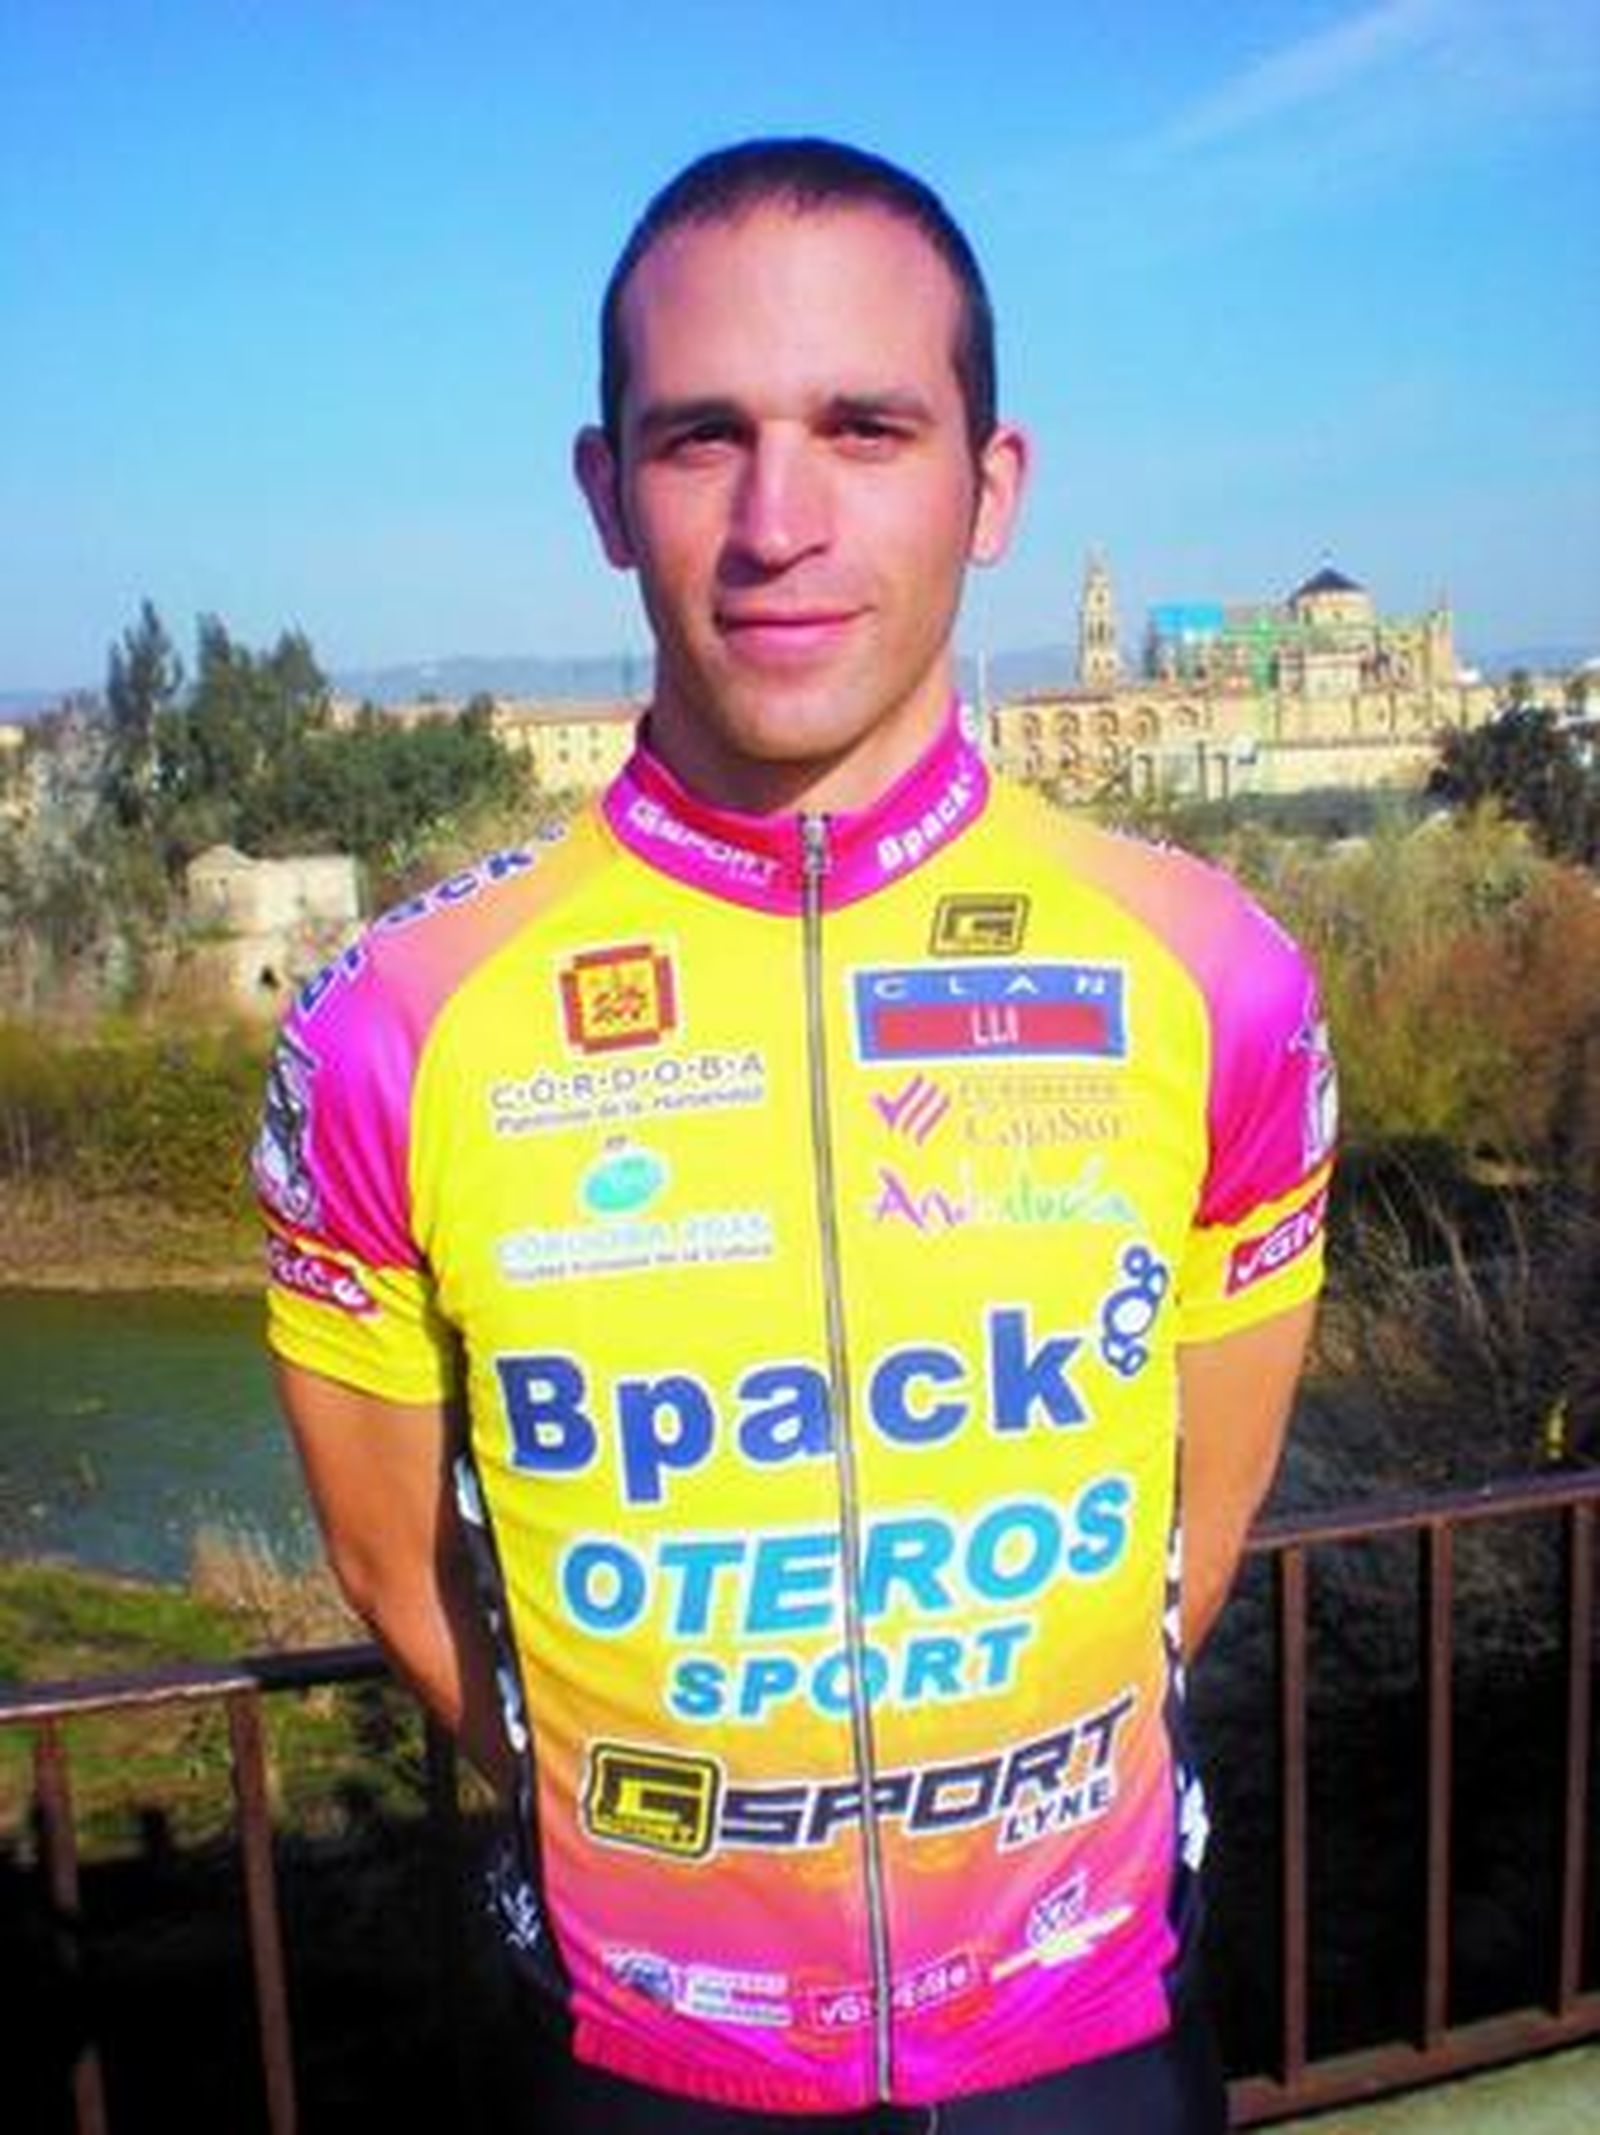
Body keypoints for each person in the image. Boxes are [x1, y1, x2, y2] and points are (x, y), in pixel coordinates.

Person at [255, 137, 1336, 2132]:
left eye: (863, 425)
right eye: (697, 439)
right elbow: (393, 1572)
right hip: (642, 2058)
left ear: (989, 484)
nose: (779, 520)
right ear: (604, 492)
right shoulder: (393, 1029)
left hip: (1081, 2034)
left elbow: (1196, 1520)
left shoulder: (1216, 975)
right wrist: (655, 1829)